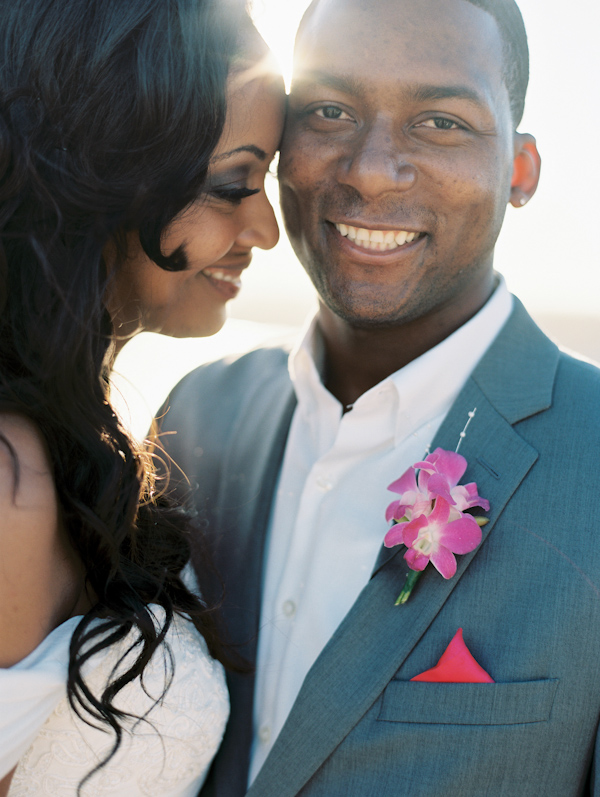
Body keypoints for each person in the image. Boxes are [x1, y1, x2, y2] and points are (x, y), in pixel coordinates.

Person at [160, 0, 600, 794]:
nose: (368, 167)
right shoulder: (196, 417)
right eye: (328, 111)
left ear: (520, 173)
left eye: (440, 123)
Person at [0, 0, 284, 794]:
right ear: (99, 170)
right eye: (235, 184)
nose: (265, 228)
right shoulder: (10, 483)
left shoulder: (78, 440)